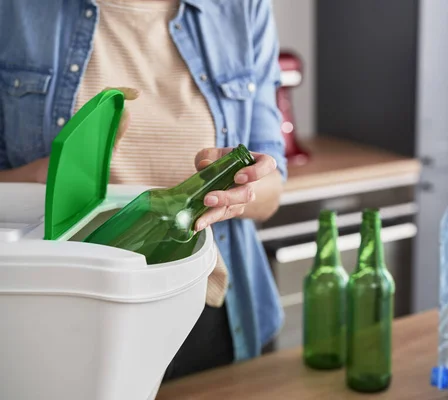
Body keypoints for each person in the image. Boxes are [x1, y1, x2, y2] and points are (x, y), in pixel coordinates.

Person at [0, 0, 287, 382]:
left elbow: (272, 187)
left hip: (212, 315)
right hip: (68, 322)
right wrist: (41, 176)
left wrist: (241, 184)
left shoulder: (242, 8)